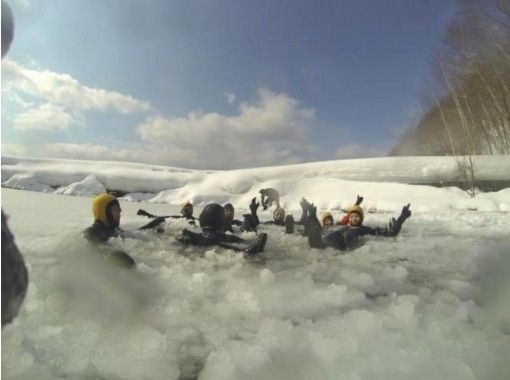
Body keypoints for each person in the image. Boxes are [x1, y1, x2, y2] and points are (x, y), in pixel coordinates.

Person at [306, 202, 412, 251]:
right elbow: (328, 227)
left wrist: (402, 218)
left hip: (347, 245)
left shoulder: (364, 229)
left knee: (345, 235)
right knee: (335, 234)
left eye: (356, 216)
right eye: (351, 217)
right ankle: (320, 243)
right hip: (339, 239)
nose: (353, 219)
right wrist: (314, 218)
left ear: (361, 218)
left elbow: (390, 233)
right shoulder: (345, 226)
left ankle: (321, 244)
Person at [177, 203, 267, 255]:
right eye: (227, 210)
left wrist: (251, 217)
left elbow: (247, 231)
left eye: (232, 211)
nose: (229, 212)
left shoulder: (234, 225)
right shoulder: (225, 236)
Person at [82, 193, 135, 267]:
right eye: (115, 209)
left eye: (119, 209)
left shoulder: (117, 231)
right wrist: (115, 255)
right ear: (103, 212)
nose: (119, 213)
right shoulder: (91, 233)